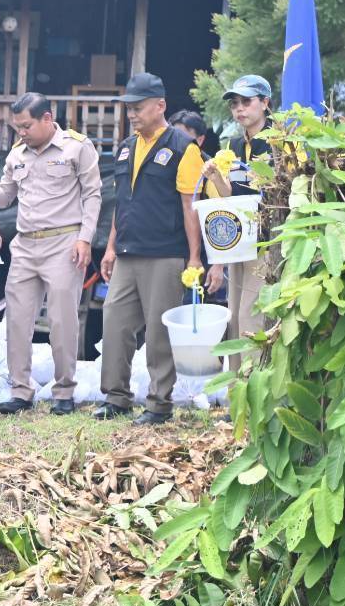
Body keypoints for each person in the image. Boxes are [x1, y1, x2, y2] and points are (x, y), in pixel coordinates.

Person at [0, 93, 102, 416]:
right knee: (17, 320)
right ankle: (20, 390)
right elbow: (4, 197)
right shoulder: (17, 155)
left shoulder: (76, 147)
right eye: (17, 127)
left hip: (64, 243)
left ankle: (64, 390)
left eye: (27, 126)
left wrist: (85, 239)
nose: (22, 133)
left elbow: (93, 195)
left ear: (48, 118)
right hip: (25, 245)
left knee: (61, 321)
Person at [96, 73, 207, 425]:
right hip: (128, 251)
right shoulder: (126, 146)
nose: (133, 113)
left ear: (160, 105)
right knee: (114, 321)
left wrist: (194, 257)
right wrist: (111, 247)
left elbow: (190, 207)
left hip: (165, 253)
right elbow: (122, 202)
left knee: (159, 332)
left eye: (139, 107)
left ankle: (159, 403)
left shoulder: (183, 148)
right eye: (129, 107)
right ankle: (116, 397)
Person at [201, 74, 274, 368]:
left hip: (268, 243)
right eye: (235, 104)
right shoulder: (232, 145)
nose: (240, 109)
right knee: (234, 318)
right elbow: (232, 196)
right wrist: (216, 176)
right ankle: (236, 400)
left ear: (265, 103)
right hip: (238, 242)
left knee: (251, 318)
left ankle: (255, 396)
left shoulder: (280, 142)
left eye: (247, 101)